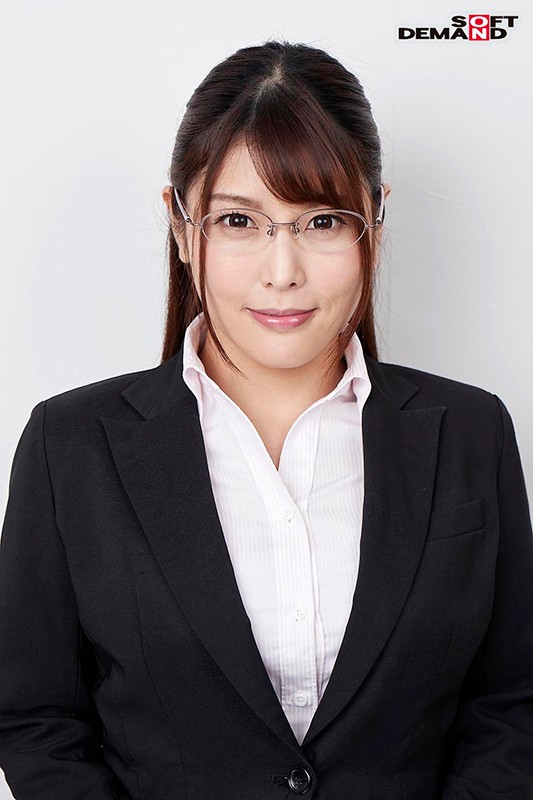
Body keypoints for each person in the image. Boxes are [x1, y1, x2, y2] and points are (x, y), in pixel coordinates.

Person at [0, 38, 532, 800]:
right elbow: (36, 721)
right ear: (181, 227)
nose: (282, 272)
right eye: (238, 222)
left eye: (321, 222)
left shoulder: (471, 435)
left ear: (375, 220)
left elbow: (509, 706)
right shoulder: (71, 448)